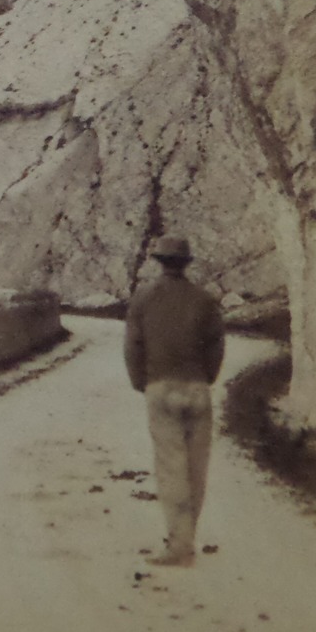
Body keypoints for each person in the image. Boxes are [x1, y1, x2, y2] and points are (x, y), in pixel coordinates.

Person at [123, 235, 225, 566]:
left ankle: (178, 545)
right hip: (197, 389)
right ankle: (186, 539)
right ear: (185, 263)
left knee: (171, 468)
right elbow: (216, 346)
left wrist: (141, 381)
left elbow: (133, 345)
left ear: (158, 261)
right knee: (197, 469)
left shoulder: (143, 298)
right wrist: (206, 377)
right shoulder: (205, 300)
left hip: (160, 387)